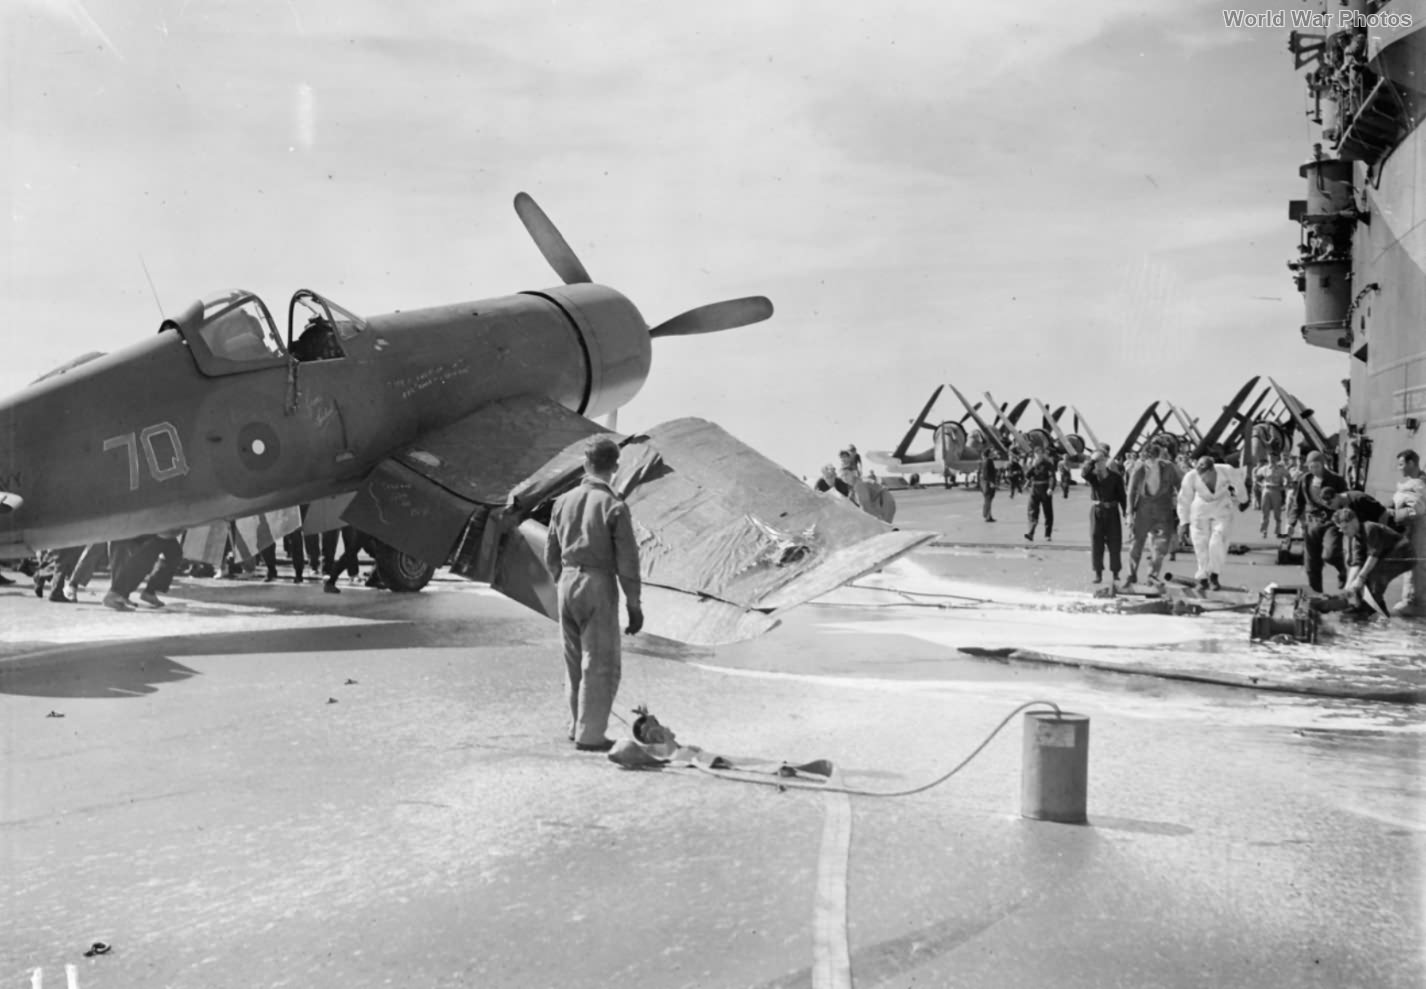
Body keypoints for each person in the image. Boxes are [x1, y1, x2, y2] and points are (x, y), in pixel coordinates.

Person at [544, 436, 643, 753]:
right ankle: (591, 736)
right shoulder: (614, 505)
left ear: (586, 465)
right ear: (615, 468)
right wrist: (633, 603)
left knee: (573, 663)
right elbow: (627, 562)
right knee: (599, 663)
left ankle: (576, 726)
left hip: (567, 582)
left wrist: (564, 581)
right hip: (598, 584)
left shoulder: (563, 502)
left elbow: (550, 553)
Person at [1176, 455, 1251, 591]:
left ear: (1212, 470)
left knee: (1218, 540)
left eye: (1205, 475)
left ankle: (1214, 575)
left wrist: (1243, 500)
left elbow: (1238, 483)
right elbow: (1184, 499)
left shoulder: (1226, 470)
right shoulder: (1191, 476)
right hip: (1200, 508)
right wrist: (1184, 522)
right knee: (1200, 544)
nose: (1202, 478)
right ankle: (1202, 578)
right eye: (1200, 475)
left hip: (1221, 506)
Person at [1333, 509, 1417, 615]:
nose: (1343, 532)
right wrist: (1348, 587)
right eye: (1340, 529)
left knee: (1374, 577)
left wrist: (1360, 578)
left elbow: (1373, 556)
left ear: (1354, 521)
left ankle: (1370, 611)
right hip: (1387, 557)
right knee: (1366, 579)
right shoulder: (1355, 538)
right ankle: (1376, 611)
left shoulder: (1370, 529)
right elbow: (1356, 564)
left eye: (1345, 528)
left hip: (1404, 554)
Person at [1286, 450, 1349, 592]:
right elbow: (1298, 502)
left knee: (1330, 554)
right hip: (1311, 523)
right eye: (1311, 466)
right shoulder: (1305, 480)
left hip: (1331, 521)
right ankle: (1317, 594)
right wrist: (1291, 523)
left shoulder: (1336, 480)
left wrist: (1345, 520)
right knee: (1311, 565)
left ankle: (1343, 571)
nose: (1314, 470)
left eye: (1317, 466)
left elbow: (1345, 500)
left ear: (1323, 464)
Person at [1125, 442, 1181, 587]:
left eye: (1153, 459)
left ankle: (1152, 575)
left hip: (1164, 510)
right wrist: (1129, 514)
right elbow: (1131, 491)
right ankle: (1131, 575)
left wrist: (1181, 508)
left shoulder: (1168, 467)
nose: (1150, 462)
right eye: (1147, 459)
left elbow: (1180, 486)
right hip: (1144, 510)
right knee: (1136, 544)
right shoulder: (1138, 468)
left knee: (1160, 546)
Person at [1082, 446, 1127, 584]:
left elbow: (1122, 497)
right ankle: (1098, 573)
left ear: (1106, 461)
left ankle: (1115, 572)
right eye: (1096, 462)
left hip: (1112, 511)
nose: (1098, 464)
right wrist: (1091, 460)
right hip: (1097, 512)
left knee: (1115, 542)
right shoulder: (1093, 477)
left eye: (1100, 461)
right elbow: (1084, 474)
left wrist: (1126, 513)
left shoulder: (1115, 477)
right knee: (1096, 542)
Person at [1390, 449, 1425, 615]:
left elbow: (1417, 509)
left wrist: (1395, 516)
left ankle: (1413, 602)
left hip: (1418, 529)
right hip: (1415, 529)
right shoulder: (1414, 483)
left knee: (1415, 563)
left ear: (1412, 463)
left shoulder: (1417, 485)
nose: (1399, 468)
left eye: (1402, 464)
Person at [1023, 450, 1056, 542]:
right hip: (1034, 490)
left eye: (1040, 454)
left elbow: (1052, 477)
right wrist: (1032, 466)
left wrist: (1051, 488)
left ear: (1043, 454)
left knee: (1048, 512)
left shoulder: (1048, 464)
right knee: (1032, 511)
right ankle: (1031, 533)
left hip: (1045, 489)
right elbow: (1027, 475)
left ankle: (1047, 534)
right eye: (1036, 454)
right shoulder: (1033, 464)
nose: (1038, 456)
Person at [1255, 455, 1290, 539]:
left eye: (1273, 457)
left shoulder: (1281, 469)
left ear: (1276, 459)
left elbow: (1288, 477)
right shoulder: (1264, 469)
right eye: (1270, 457)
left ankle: (1277, 531)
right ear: (1268, 458)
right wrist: (1261, 485)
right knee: (1265, 511)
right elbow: (1257, 478)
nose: (1272, 459)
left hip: (1276, 490)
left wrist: (1285, 486)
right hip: (1266, 490)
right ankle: (1264, 531)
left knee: (1277, 512)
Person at [978, 450, 998, 522]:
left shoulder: (984, 461)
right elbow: (986, 474)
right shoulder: (989, 461)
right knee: (988, 500)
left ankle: (988, 515)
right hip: (988, 484)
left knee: (988, 500)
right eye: (992, 452)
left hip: (984, 484)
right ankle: (986, 515)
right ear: (989, 454)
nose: (993, 453)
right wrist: (991, 482)